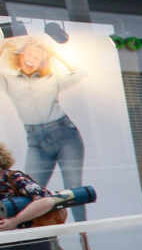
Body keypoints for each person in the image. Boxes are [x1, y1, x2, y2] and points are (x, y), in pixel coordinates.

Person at [0, 32, 90, 220]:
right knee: (27, 195)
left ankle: (84, 238)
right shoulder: (10, 80)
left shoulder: (52, 79)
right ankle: (44, 237)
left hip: (65, 134)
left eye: (37, 57)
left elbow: (80, 72)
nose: (32, 60)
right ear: (20, 56)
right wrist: (5, 47)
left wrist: (53, 51)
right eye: (29, 55)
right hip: (36, 141)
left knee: (73, 191)